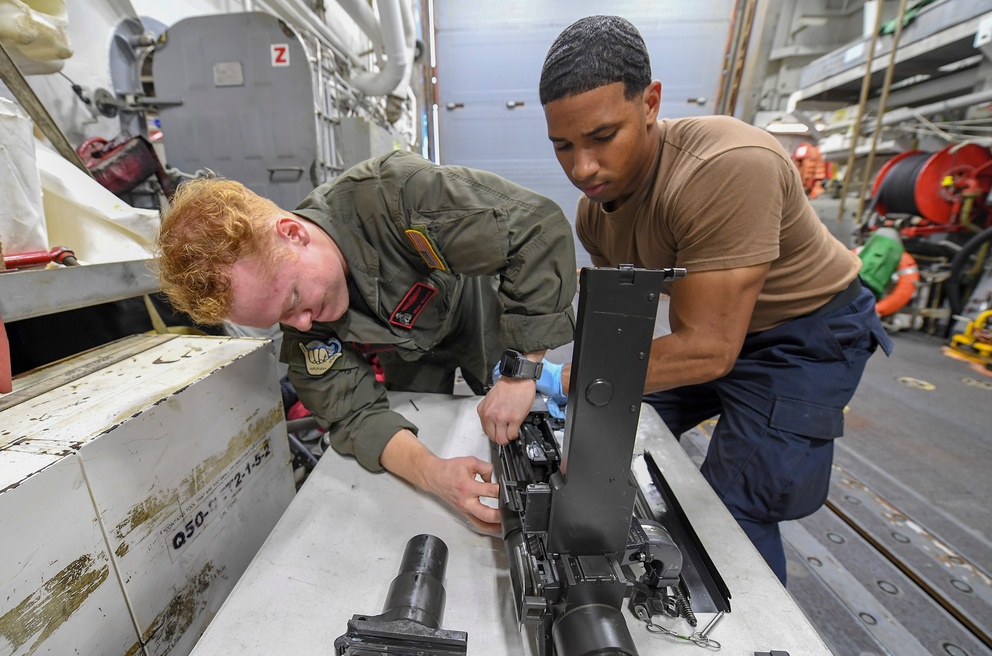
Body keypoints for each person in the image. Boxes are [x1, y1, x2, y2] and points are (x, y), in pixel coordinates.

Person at [487, 14, 892, 584]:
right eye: (563, 146)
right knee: (606, 432)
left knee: (734, 512)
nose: (582, 168)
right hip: (711, 328)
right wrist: (581, 411)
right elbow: (620, 330)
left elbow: (707, 352)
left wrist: (565, 378)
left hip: (804, 336)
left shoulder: (728, 169)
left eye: (603, 137)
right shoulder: (594, 213)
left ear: (651, 103)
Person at [156, 149, 577, 532]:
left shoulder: (397, 194)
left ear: (293, 234)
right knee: (426, 422)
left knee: (515, 416)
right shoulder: (302, 317)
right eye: (281, 319)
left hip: (471, 309)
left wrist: (522, 370)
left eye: (294, 300)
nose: (302, 324)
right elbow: (353, 414)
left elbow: (535, 229)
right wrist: (434, 474)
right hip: (404, 348)